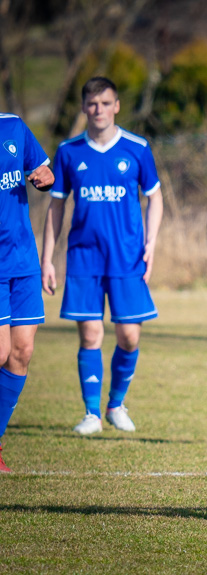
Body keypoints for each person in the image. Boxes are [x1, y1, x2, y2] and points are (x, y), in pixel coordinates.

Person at [42, 76, 163, 435]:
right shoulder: (68, 152)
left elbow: (155, 197)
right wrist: (47, 258)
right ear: (84, 107)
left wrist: (151, 242)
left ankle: (116, 404)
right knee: (91, 335)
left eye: (105, 103)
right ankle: (91, 414)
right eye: (92, 104)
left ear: (117, 106)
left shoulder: (137, 148)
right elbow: (56, 206)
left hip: (127, 257)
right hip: (84, 257)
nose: (99, 110)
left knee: (129, 336)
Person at [0, 113, 54, 472]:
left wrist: (45, 178)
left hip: (23, 259)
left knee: (21, 351)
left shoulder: (14, 126)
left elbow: (45, 172)